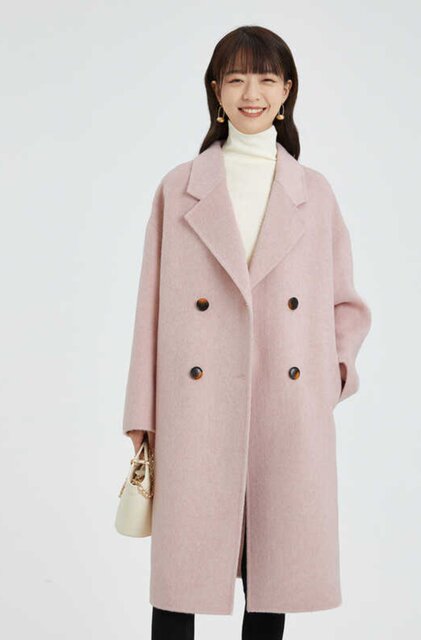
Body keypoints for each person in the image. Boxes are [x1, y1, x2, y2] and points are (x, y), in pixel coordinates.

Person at [122, 25, 372, 640]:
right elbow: (149, 309)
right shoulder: (179, 187)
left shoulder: (313, 193)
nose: (251, 93)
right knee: (181, 579)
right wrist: (143, 415)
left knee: (273, 573)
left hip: (286, 405)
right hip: (195, 407)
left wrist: (329, 377)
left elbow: (345, 303)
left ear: (287, 90)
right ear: (215, 90)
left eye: (265, 79)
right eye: (235, 78)